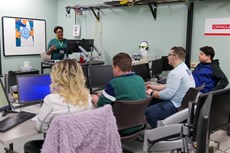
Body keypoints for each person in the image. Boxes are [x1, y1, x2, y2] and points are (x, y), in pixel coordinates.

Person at [24, 59, 92, 153]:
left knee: (29, 145)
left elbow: (41, 128)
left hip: (60, 148)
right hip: (80, 146)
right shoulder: (87, 96)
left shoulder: (51, 100)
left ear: (57, 76)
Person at [91, 52, 146, 136]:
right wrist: (104, 96)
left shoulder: (114, 83)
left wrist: (94, 98)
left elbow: (100, 106)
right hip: (138, 125)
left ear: (117, 68)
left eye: (112, 68)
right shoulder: (140, 79)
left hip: (120, 128)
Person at [145, 46, 195, 128]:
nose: (167, 57)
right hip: (183, 104)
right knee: (153, 101)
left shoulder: (175, 72)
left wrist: (151, 92)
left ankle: (161, 134)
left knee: (149, 112)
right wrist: (153, 87)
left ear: (176, 57)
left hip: (175, 105)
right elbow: (170, 86)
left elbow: (167, 95)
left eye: (169, 55)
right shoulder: (185, 68)